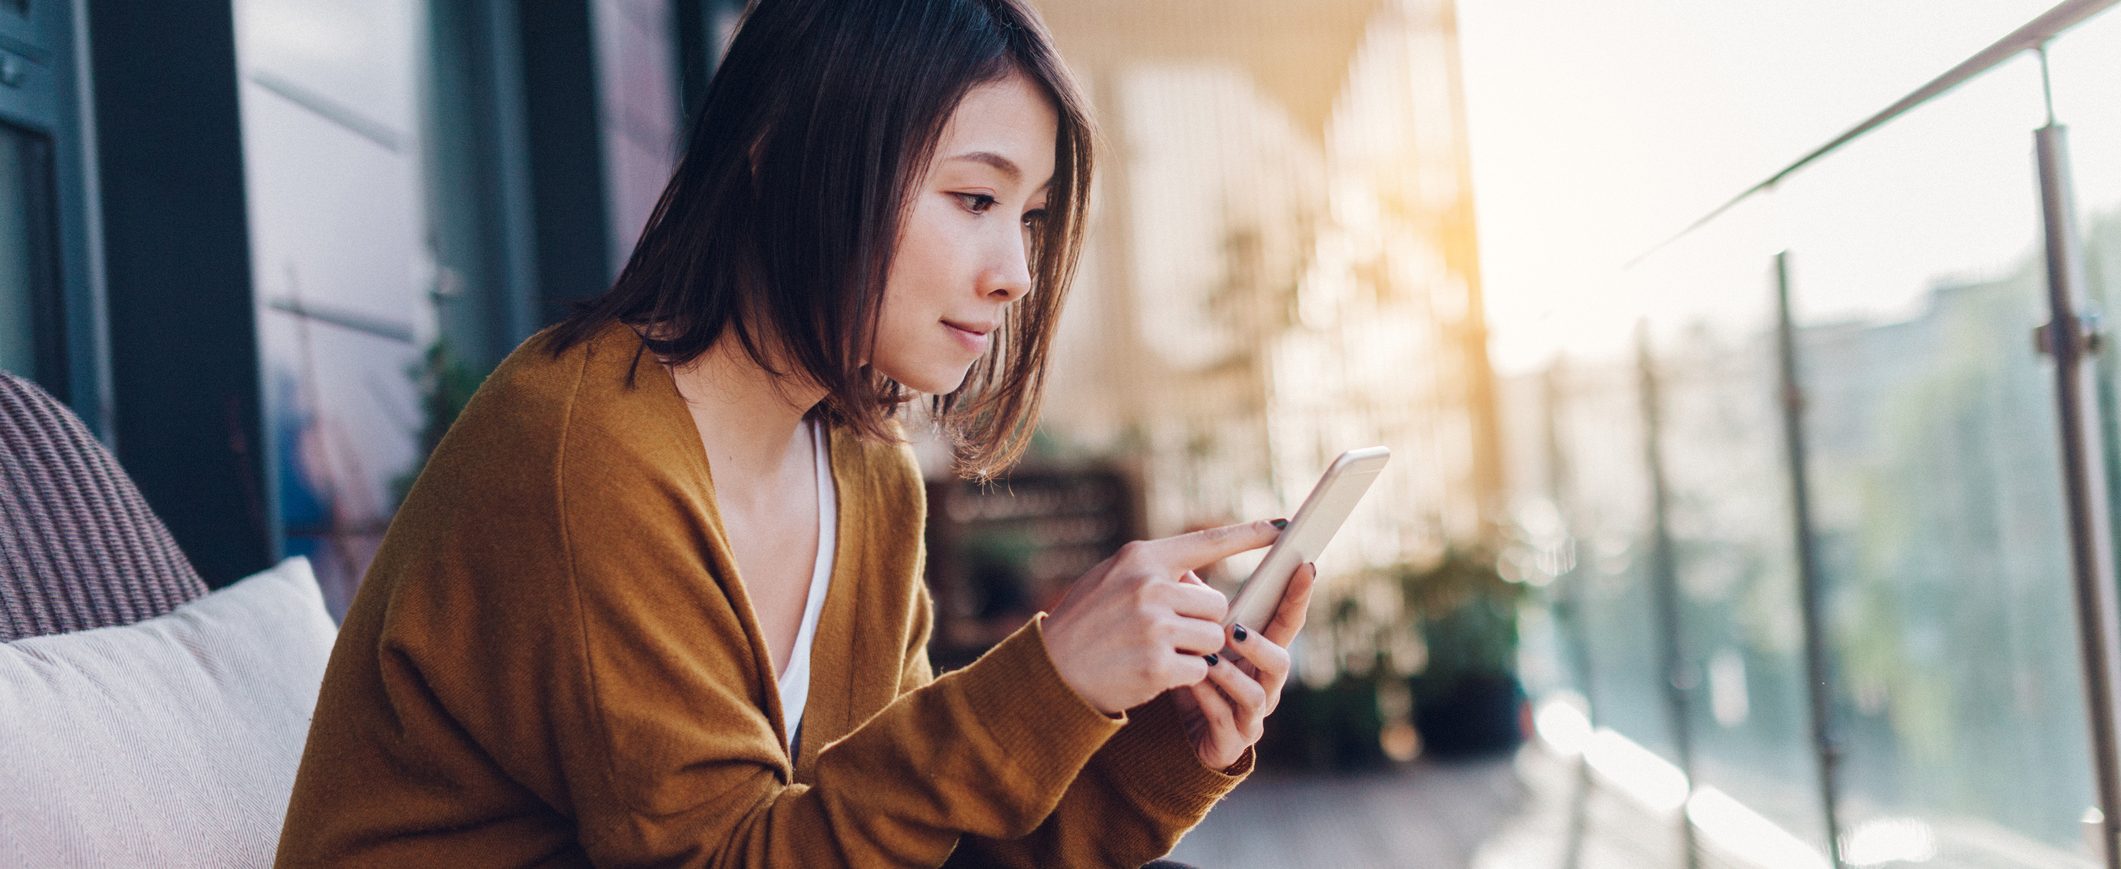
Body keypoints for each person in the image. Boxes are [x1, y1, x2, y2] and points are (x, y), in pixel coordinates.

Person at [275, 0, 1319, 865]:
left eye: (1031, 216)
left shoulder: (867, 472)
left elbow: (911, 830)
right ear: (787, 156)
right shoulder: (584, 447)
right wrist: (1044, 677)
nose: (1016, 269)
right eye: (973, 197)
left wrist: (1157, 747)